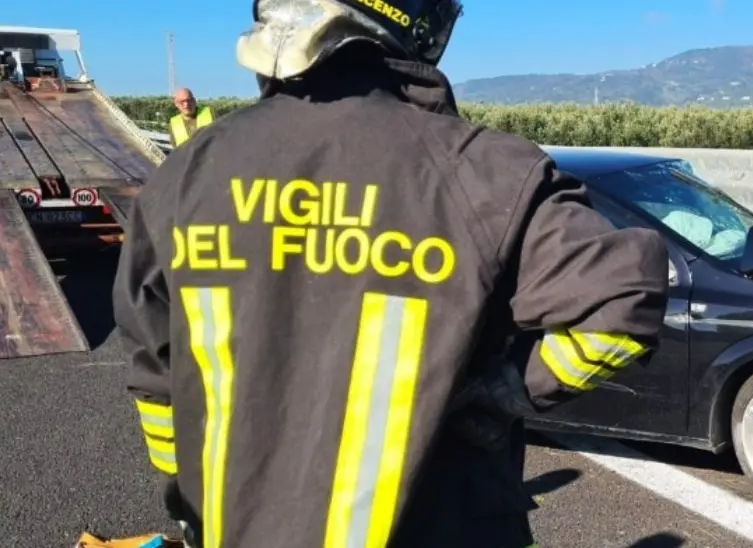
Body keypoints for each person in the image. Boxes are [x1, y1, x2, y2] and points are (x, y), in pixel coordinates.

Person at [112, 0, 669, 546]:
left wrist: (191, 507)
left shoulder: (181, 177)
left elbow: (157, 387)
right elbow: (622, 304)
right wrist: (500, 393)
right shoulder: (483, 170)